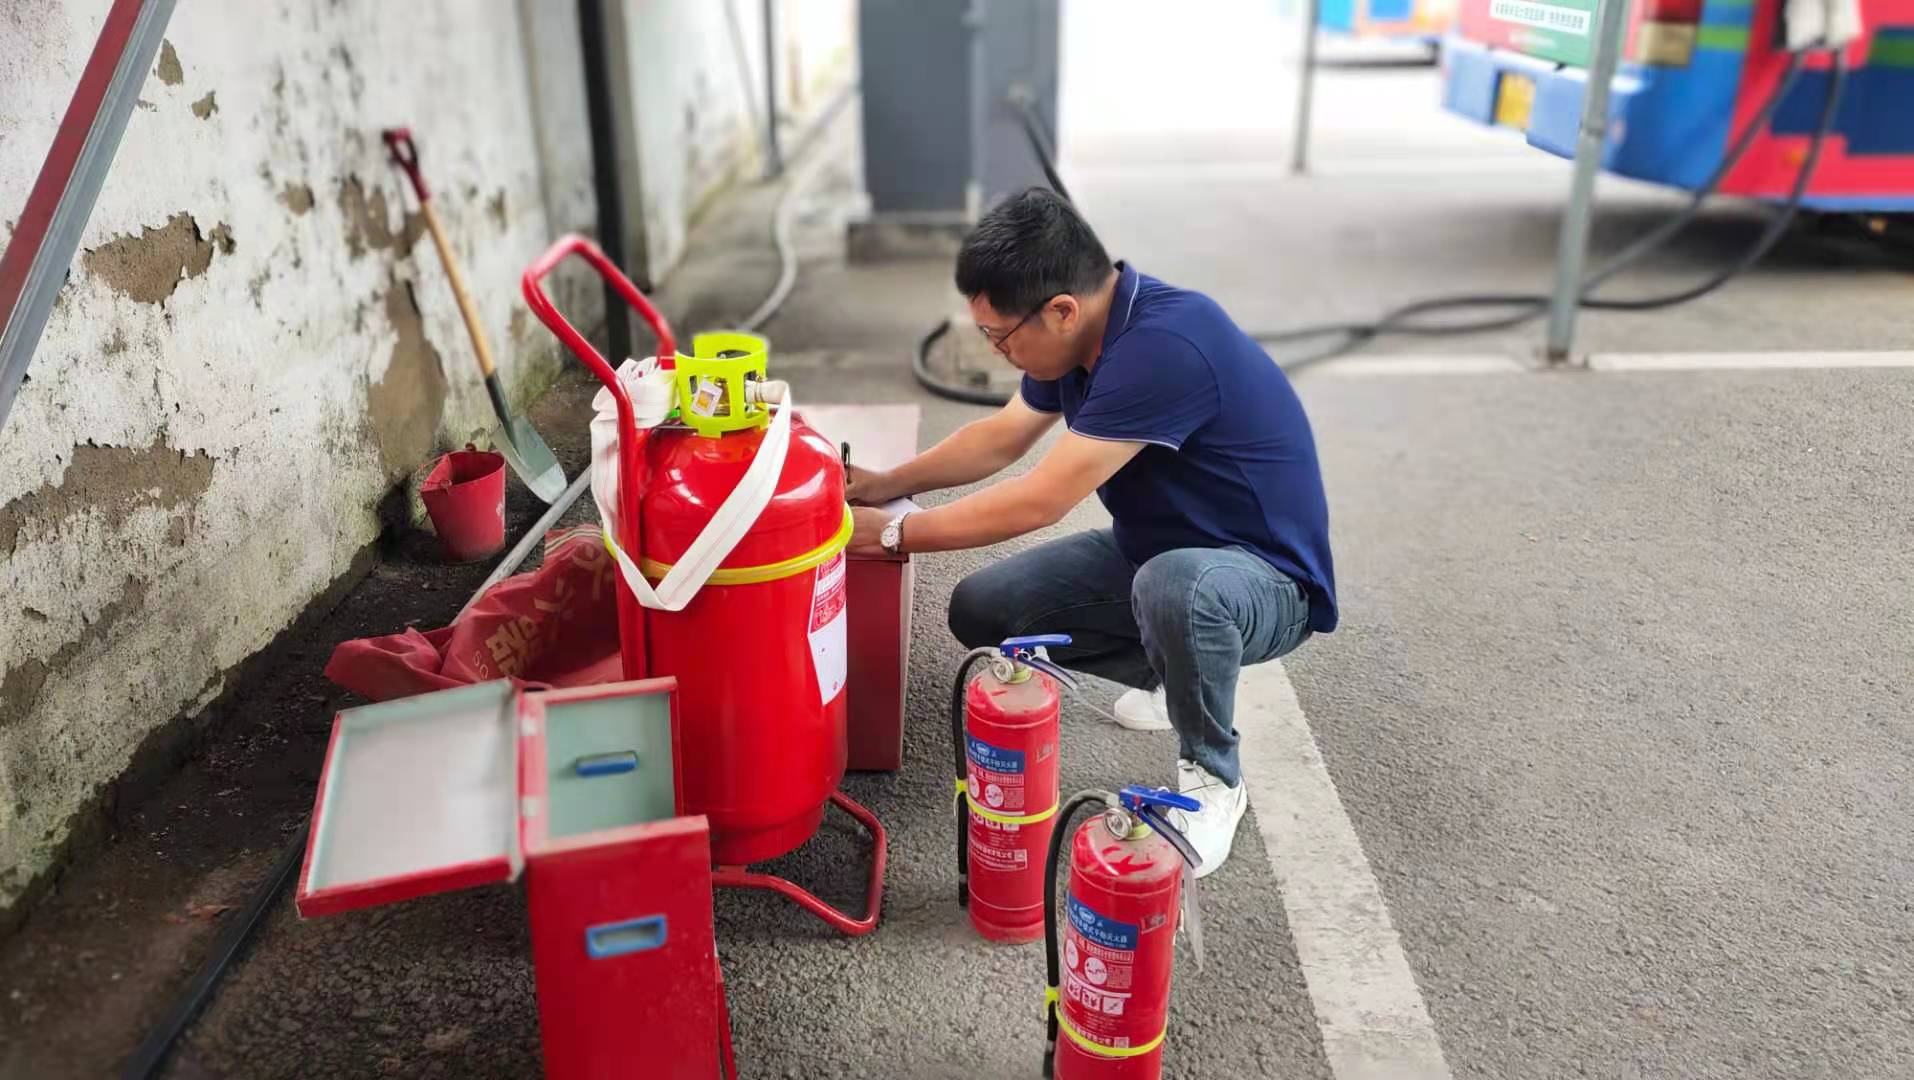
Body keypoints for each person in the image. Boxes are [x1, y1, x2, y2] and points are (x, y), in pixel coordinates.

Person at [845, 187, 1336, 878]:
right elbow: (1002, 437)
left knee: (1178, 589)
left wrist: (891, 536)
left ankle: (1214, 781)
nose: (998, 351)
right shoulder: (1079, 341)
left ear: (1061, 310)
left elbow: (1041, 498)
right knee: (983, 608)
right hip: (1157, 554)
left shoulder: (1162, 349)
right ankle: (1175, 674)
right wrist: (884, 484)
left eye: (1000, 336)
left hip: (1264, 579)